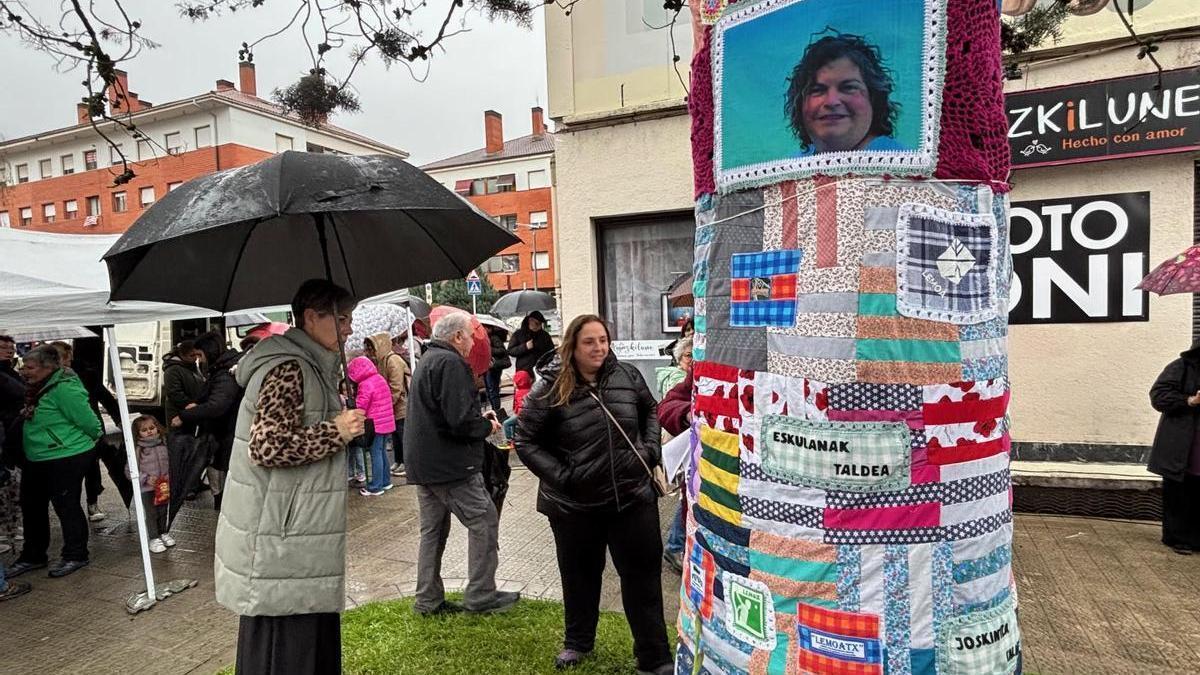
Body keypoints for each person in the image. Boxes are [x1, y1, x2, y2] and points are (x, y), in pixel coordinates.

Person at [215, 279, 366, 674]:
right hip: (282, 535)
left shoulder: (311, 365)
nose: (349, 327)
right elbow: (266, 447)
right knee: (287, 648)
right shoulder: (289, 368)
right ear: (311, 317)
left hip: (295, 532)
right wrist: (337, 432)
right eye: (342, 318)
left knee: (305, 635)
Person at [514, 315, 672, 674]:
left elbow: (650, 410)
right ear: (573, 345)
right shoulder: (552, 386)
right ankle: (578, 643)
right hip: (574, 506)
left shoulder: (627, 375)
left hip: (632, 498)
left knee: (643, 578)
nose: (599, 347)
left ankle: (655, 656)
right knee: (580, 577)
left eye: (603, 339)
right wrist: (564, 477)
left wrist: (649, 450)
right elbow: (524, 439)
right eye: (590, 342)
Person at [405, 312, 518, 616]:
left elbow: (441, 414)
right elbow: (459, 421)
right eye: (469, 335)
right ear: (456, 337)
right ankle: (481, 595)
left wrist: (474, 421)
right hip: (449, 467)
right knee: (484, 520)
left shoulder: (428, 360)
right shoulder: (450, 363)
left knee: (433, 531)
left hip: (425, 465)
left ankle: (427, 600)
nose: (471, 341)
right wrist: (486, 427)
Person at [8, 345, 102, 579]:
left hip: (66, 456)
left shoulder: (64, 389)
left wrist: (72, 443)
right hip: (37, 457)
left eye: (30, 367)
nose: (24, 371)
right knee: (31, 506)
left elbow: (91, 424)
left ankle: (76, 554)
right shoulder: (38, 387)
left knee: (66, 505)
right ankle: (33, 555)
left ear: (47, 367)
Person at [784, 33, 906, 156]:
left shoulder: (902, 163)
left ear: (874, 99)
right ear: (800, 103)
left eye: (848, 88)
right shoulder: (791, 165)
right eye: (817, 90)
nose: (832, 102)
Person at [54, 338, 133, 523]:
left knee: (91, 467)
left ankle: (92, 503)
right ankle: (73, 506)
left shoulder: (85, 374)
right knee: (72, 472)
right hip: (64, 434)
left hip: (89, 430)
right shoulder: (47, 379)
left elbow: (105, 398)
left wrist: (120, 421)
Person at [174, 331, 243, 512]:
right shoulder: (222, 369)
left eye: (200, 354)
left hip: (227, 434)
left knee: (222, 479)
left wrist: (185, 415)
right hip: (225, 434)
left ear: (209, 351)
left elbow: (217, 405)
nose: (199, 359)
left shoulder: (225, 373)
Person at [1149, 340, 1200, 555]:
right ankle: (1177, 539)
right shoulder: (1181, 366)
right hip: (1183, 445)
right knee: (1180, 492)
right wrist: (1189, 400)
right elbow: (1158, 396)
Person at [657, 337, 693, 574]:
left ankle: (676, 545)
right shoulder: (679, 378)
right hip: (680, 448)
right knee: (684, 499)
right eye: (688, 356)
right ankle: (675, 546)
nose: (692, 360)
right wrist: (686, 414)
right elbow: (666, 405)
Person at [348, 355, 396, 497]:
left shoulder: (365, 384)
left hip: (374, 425)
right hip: (386, 423)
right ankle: (385, 481)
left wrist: (352, 404)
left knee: (375, 454)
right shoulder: (379, 378)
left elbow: (361, 407)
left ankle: (375, 486)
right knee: (382, 453)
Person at [363, 333, 410, 478]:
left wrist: (386, 405)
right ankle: (398, 460)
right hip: (391, 407)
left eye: (371, 348)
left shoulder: (392, 360)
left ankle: (406, 463)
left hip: (400, 405)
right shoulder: (381, 361)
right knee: (395, 436)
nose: (369, 352)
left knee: (402, 435)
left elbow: (396, 387)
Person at [132, 415, 173, 553]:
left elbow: (170, 463)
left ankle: (163, 532)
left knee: (163, 511)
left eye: (152, 428)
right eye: (144, 430)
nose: (149, 431)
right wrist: (145, 478)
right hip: (148, 488)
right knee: (151, 513)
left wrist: (168, 477)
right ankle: (153, 538)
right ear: (138, 433)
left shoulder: (164, 443)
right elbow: (130, 469)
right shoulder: (138, 449)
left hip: (163, 486)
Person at [0, 334, 24, 551]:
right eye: (3, 347)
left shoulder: (12, 370)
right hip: (5, 434)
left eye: (11, 346)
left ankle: (12, 526)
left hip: (14, 434)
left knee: (12, 484)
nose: (9, 350)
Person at [161, 340, 204, 435]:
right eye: (192, 356)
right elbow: (174, 393)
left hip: (190, 412)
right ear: (182, 355)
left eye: (196, 355)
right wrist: (191, 406)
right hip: (177, 413)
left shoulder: (191, 366)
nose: (195, 358)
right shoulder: (172, 369)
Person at [507, 310, 555, 377]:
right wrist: (525, 346)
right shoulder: (519, 334)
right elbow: (510, 351)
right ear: (530, 320)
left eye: (540, 324)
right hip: (524, 371)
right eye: (537, 323)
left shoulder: (545, 335)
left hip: (540, 370)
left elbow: (551, 352)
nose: (539, 326)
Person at [497, 370, 533, 451]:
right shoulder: (530, 390)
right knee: (512, 422)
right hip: (526, 414)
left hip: (521, 415)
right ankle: (515, 439)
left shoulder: (520, 393)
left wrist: (518, 414)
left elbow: (521, 406)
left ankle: (510, 441)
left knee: (506, 423)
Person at [485, 325, 511, 417]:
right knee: (490, 390)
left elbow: (502, 351)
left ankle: (497, 412)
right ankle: (495, 411)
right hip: (488, 367)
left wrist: (488, 349)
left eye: (485, 327)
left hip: (494, 367)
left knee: (493, 390)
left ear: (489, 328)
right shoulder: (486, 338)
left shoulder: (494, 338)